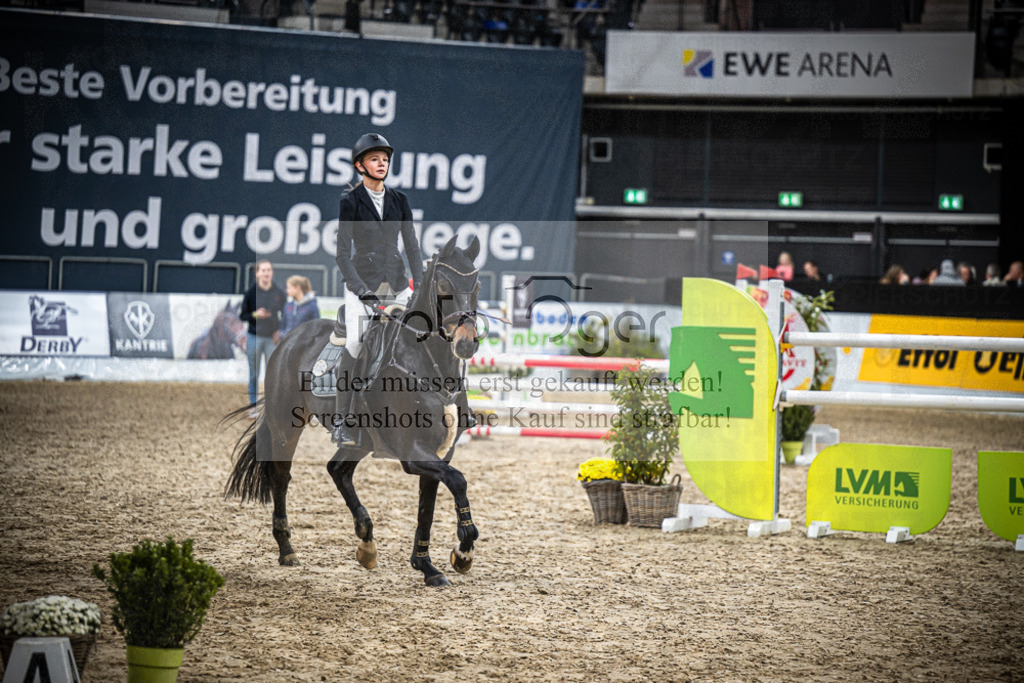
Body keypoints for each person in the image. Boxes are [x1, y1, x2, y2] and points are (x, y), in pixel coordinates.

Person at [332, 133, 424, 446]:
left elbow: (411, 245)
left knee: (422, 332)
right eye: (374, 159)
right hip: (363, 283)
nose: (381, 163)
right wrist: (361, 290)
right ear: (360, 165)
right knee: (357, 342)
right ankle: (342, 419)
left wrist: (420, 283)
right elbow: (342, 254)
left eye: (384, 159)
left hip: (396, 283)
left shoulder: (400, 200)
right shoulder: (351, 202)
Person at [239, 260, 286, 416]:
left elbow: (285, 314)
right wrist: (255, 314)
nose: (266, 273)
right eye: (263, 270)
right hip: (254, 338)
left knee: (272, 374)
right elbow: (243, 315)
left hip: (272, 339)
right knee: (254, 374)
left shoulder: (278, 293)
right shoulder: (251, 293)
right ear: (257, 273)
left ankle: (271, 408)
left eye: (269, 270)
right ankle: (253, 407)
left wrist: (280, 330)